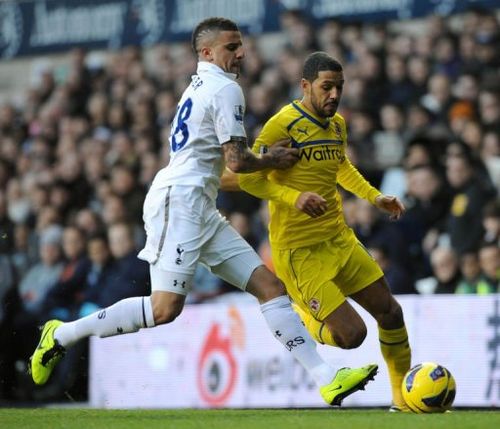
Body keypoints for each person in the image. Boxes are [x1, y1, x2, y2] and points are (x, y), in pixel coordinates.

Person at [30, 18, 377, 407]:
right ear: (207, 52)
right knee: (164, 309)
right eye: (232, 46)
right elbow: (238, 161)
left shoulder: (199, 85)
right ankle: (60, 335)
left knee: (269, 287)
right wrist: (273, 159)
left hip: (198, 204)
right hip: (178, 203)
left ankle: (326, 378)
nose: (241, 52)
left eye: (241, 44)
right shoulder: (226, 89)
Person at [237, 52, 411, 411]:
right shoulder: (280, 125)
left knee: (391, 313)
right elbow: (248, 179)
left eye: (339, 87)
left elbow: (341, 166)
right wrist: (293, 197)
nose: (334, 95)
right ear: (305, 86)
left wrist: (374, 197)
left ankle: (403, 401)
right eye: (326, 87)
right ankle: (304, 321)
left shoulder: (337, 126)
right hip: (300, 253)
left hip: (339, 239)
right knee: (352, 337)